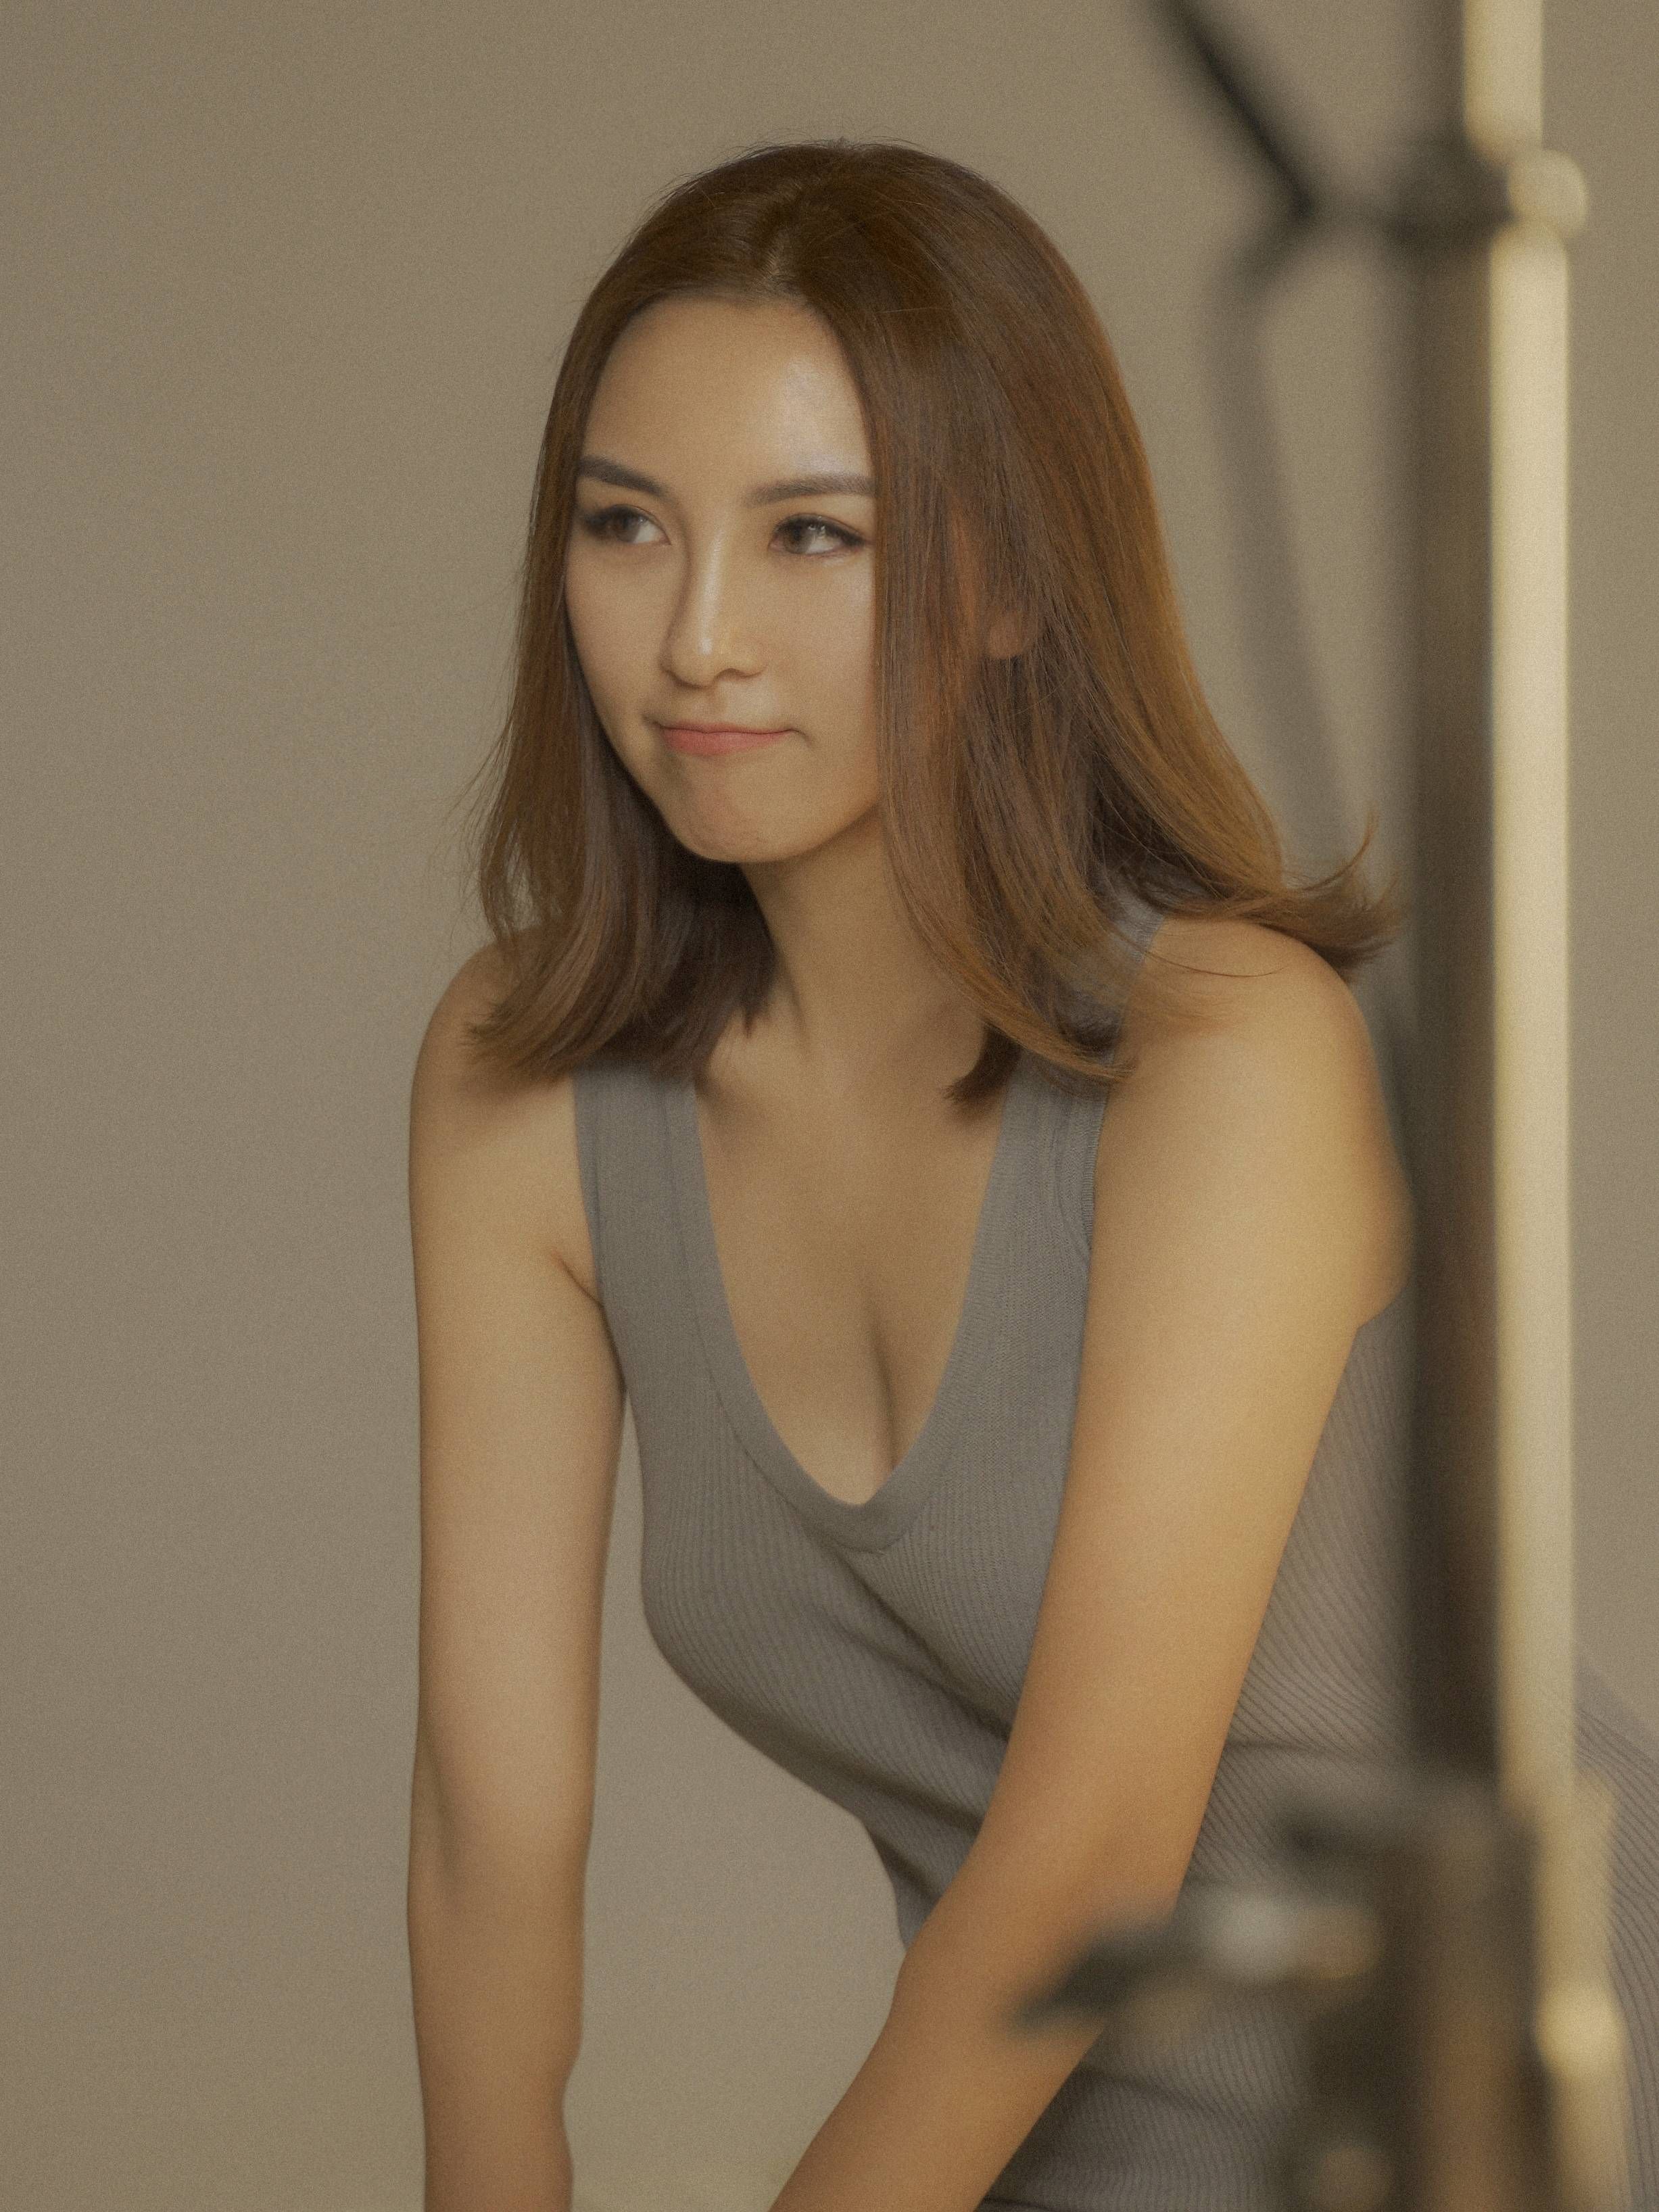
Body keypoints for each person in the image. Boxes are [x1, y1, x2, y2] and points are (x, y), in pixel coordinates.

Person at [406, 139, 1659, 2212]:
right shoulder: (523, 1081)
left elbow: (1093, 1853)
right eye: (627, 525)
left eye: (815, 536)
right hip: (1065, 2141)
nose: (697, 637)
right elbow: (490, 1832)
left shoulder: (1227, 1054)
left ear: (1003, 585)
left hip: (1500, 2124)